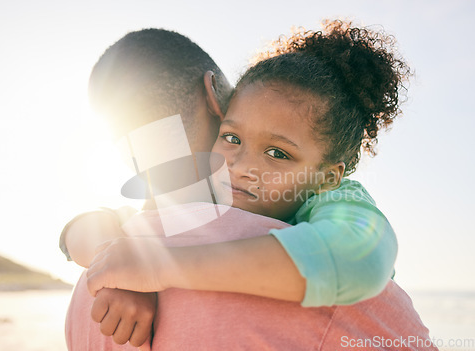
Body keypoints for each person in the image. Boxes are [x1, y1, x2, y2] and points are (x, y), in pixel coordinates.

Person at [63, 25, 436, 350]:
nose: (242, 166)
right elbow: (85, 228)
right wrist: (119, 269)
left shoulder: (334, 199)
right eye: (231, 137)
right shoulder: (205, 198)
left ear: (327, 176)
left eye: (277, 152)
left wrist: (160, 266)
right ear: (217, 99)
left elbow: (361, 261)